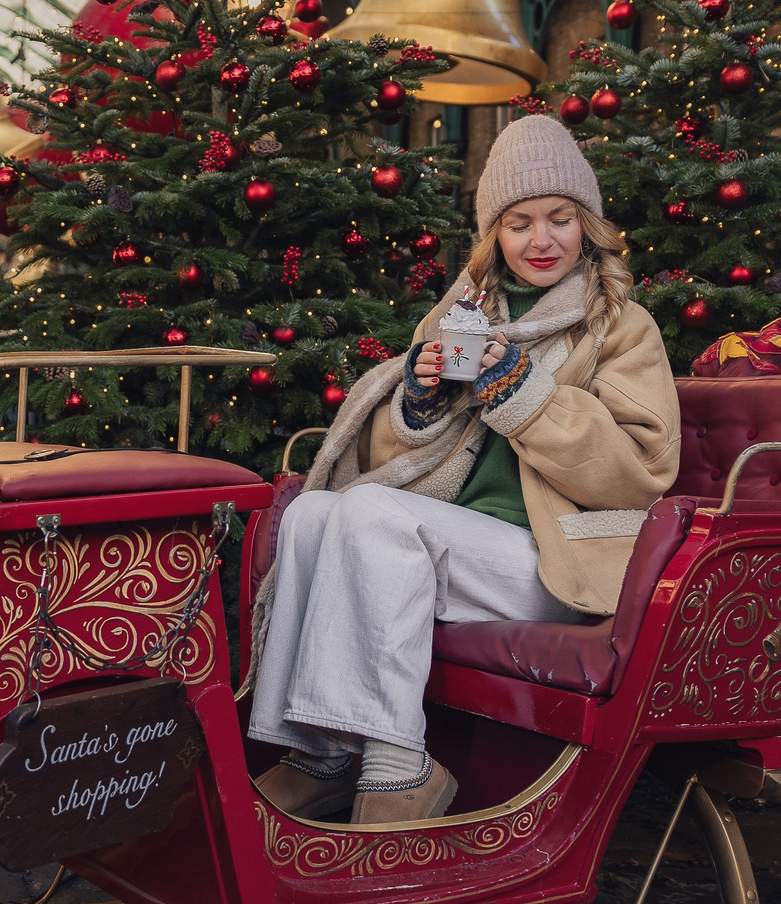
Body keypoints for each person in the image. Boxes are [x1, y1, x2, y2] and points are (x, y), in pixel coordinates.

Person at [249, 115, 680, 827]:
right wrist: (413, 405)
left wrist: (525, 394)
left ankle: (397, 767)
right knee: (316, 513)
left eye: (560, 219)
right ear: (494, 236)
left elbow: (639, 472)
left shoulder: (621, 326)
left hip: (557, 560)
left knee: (368, 516)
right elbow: (397, 467)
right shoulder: (458, 317)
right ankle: (322, 751)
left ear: (588, 226)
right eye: (519, 224)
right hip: (459, 547)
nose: (540, 241)